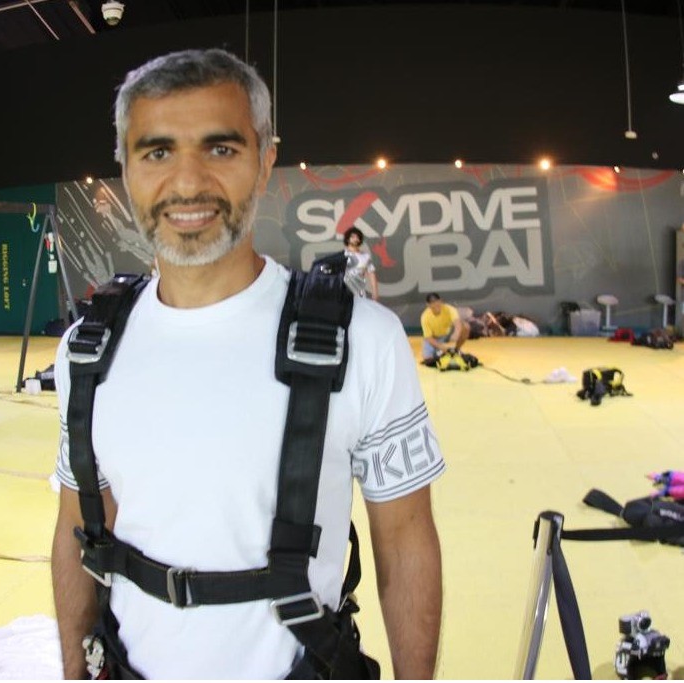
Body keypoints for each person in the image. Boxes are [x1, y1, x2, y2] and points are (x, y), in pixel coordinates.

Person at [51, 48, 444, 680]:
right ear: (125, 169)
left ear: (265, 163)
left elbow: (404, 541)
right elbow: (77, 525)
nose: (187, 184)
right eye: (156, 152)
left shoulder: (363, 341)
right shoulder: (85, 351)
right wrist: (74, 668)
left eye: (221, 149)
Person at [420, 293, 470, 361]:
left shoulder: (450, 309)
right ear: (428, 305)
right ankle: (440, 352)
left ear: (441, 301)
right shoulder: (424, 316)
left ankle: (456, 350)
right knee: (427, 359)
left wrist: (456, 333)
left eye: (437, 301)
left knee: (466, 326)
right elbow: (428, 337)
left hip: (447, 334)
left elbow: (457, 322)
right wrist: (441, 347)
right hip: (434, 338)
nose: (435, 305)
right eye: (432, 303)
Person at [342, 226, 379, 300]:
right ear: (347, 239)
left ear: (360, 240)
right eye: (352, 237)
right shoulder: (342, 255)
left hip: (359, 292)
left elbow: (371, 274)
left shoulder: (365, 256)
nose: (355, 239)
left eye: (357, 237)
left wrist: (375, 292)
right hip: (344, 292)